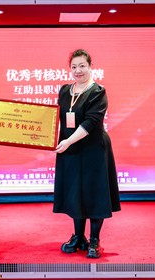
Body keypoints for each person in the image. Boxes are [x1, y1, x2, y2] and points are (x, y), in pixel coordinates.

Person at [53, 49, 120, 259]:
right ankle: (78, 236)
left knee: (94, 193)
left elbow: (90, 123)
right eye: (74, 67)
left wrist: (68, 141)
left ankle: (94, 240)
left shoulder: (98, 92)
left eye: (82, 66)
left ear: (90, 67)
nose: (78, 70)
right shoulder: (65, 91)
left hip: (93, 149)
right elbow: (55, 118)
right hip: (71, 149)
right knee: (75, 192)